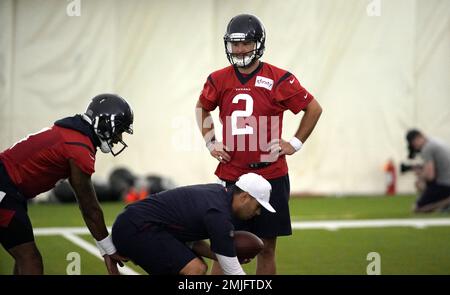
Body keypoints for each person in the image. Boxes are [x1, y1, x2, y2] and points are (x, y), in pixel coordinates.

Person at [195, 14, 322, 274]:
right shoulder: (218, 79)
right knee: (223, 248)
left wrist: (294, 143)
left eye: (246, 43)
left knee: (266, 248)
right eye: (235, 43)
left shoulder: (279, 78)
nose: (239, 49)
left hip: (270, 172)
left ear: (259, 43)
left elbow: (313, 108)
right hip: (233, 173)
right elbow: (202, 108)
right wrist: (211, 142)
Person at [0, 93, 133, 274]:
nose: (118, 137)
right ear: (104, 122)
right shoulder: (78, 146)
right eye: (119, 129)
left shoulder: (73, 134)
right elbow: (89, 207)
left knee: (24, 257)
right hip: (5, 188)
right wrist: (108, 249)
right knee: (30, 260)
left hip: (10, 189)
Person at [111, 172, 274, 275]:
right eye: (258, 206)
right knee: (194, 269)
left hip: (138, 223)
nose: (258, 212)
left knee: (198, 268)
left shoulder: (218, 194)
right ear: (245, 197)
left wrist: (228, 253)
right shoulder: (219, 215)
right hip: (138, 227)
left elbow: (191, 242)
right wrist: (230, 256)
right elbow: (233, 271)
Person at [406, 129, 450, 212]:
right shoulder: (435, 141)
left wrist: (420, 175)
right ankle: (445, 205)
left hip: (445, 184)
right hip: (446, 181)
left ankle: (446, 203)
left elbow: (430, 176)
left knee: (417, 209)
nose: (416, 148)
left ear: (416, 139)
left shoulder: (427, 148)